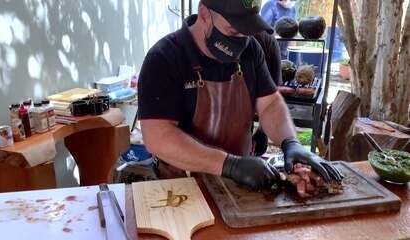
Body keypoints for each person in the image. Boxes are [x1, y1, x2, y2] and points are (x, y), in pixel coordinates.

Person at [138, 0, 342, 191]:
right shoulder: (164, 58)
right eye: (233, 31)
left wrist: (290, 142)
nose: (242, 41)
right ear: (204, 15)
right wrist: (229, 164)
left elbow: (270, 104)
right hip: (181, 188)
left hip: (237, 186)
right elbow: (158, 137)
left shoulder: (251, 49)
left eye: (247, 32)